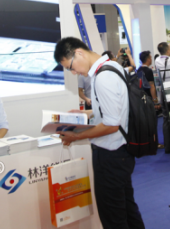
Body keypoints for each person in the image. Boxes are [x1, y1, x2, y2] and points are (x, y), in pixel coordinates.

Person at [54, 37, 145, 229]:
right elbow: (113, 109)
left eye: (70, 67)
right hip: (120, 153)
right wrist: (86, 113)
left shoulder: (103, 77)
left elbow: (111, 125)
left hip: (110, 156)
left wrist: (76, 136)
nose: (73, 73)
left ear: (79, 53)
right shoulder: (111, 67)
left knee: (113, 217)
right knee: (128, 210)